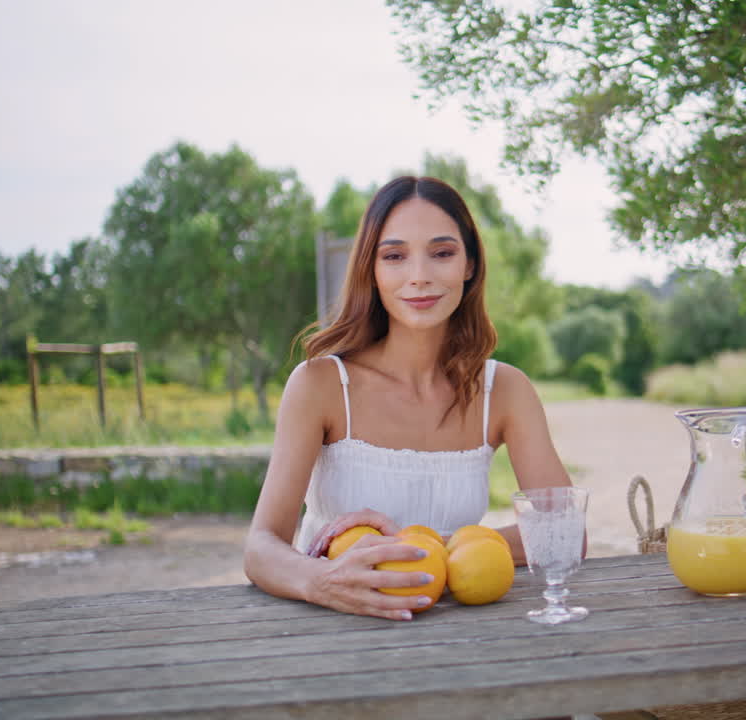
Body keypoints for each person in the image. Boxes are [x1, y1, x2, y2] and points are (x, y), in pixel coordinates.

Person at [243, 175, 574, 621]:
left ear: (470, 264)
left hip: (468, 640)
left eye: (441, 253)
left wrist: (426, 548)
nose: (419, 277)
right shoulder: (319, 384)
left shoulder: (506, 391)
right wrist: (319, 581)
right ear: (371, 270)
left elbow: (565, 531)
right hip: (334, 632)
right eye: (395, 256)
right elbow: (262, 547)